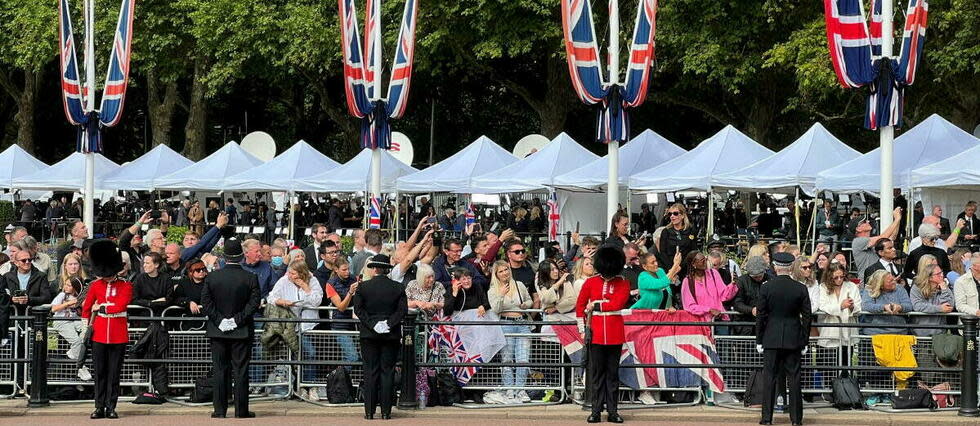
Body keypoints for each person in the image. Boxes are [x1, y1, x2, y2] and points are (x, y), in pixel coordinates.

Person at [201, 239, 262, 419]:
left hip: (218, 330)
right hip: (241, 331)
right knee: (241, 370)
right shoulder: (250, 277)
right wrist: (236, 320)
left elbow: (206, 302)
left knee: (220, 370)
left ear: (224, 256)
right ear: (242, 256)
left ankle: (219, 410)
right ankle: (241, 410)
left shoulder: (212, 277)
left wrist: (221, 321)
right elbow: (254, 304)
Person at [755, 252, 811, 426]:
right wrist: (805, 340)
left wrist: (759, 339)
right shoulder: (800, 288)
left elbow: (761, 315)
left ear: (775, 267)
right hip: (793, 337)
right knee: (794, 379)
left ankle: (766, 418)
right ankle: (796, 419)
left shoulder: (766, 287)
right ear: (791, 267)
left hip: (771, 337)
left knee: (769, 378)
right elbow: (807, 316)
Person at [577, 246, 630, 424]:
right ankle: (596, 411)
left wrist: (596, 305)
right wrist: (582, 329)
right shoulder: (591, 282)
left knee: (612, 375)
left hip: (615, 334)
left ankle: (613, 411)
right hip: (596, 334)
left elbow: (617, 304)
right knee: (597, 375)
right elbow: (580, 306)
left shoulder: (623, 282)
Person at [80, 239, 132, 419]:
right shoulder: (95, 285)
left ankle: (111, 406)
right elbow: (86, 309)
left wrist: (101, 307)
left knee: (114, 374)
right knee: (99, 373)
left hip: (118, 335)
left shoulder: (125, 285)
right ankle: (99, 406)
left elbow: (120, 306)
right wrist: (85, 329)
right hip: (99, 334)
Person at [352, 255, 407, 420]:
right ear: (386, 269)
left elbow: (359, 310)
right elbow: (402, 311)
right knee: (387, 372)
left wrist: (373, 324)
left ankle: (369, 412)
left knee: (370, 372)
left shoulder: (363, 287)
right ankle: (385, 412)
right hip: (390, 335)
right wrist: (388, 324)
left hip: (369, 334)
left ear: (374, 269)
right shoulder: (397, 287)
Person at [268, 260, 324, 400]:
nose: (289, 275)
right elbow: (271, 297)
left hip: (307, 325)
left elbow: (317, 301)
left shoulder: (313, 281)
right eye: (289, 272)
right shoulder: (283, 280)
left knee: (310, 353)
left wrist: (305, 287)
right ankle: (296, 386)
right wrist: (281, 301)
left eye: (293, 273)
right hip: (289, 325)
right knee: (292, 356)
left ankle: (309, 385)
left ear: (301, 273)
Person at [487, 260, 534, 403]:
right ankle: (509, 388)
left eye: (506, 269)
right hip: (505, 324)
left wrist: (526, 305)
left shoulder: (519, 285)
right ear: (496, 274)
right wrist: (501, 295)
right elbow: (495, 309)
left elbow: (530, 300)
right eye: (500, 271)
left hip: (522, 323)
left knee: (523, 359)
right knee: (507, 359)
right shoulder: (492, 290)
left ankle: (520, 389)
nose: (505, 273)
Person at [680, 251, 738, 323]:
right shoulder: (687, 281)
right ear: (693, 264)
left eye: (705, 259)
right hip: (701, 323)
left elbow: (724, 295)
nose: (705, 262)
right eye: (702, 261)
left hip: (719, 319)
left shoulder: (714, 273)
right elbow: (689, 306)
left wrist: (733, 284)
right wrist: (709, 310)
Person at [816, 264, 861, 353]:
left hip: (848, 330)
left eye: (842, 276)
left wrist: (852, 307)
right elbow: (822, 306)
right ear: (829, 276)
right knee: (828, 361)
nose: (839, 279)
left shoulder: (852, 286)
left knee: (846, 362)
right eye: (836, 277)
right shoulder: (823, 287)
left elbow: (858, 306)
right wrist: (841, 306)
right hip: (830, 329)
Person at [325, 257, 361, 368]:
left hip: (354, 323)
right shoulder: (330, 284)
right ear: (336, 269)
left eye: (348, 269)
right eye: (344, 270)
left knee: (356, 356)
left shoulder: (353, 278)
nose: (347, 272)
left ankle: (345, 380)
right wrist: (350, 293)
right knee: (352, 356)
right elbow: (340, 307)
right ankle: (340, 381)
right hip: (339, 324)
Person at [850, 207, 903, 284]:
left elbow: (892, 237)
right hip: (868, 283)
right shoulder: (857, 241)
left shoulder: (869, 241)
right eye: (864, 222)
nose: (868, 221)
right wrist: (897, 219)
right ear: (858, 229)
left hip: (876, 281)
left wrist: (898, 219)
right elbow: (884, 237)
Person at [859, 270, 912, 335]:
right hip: (874, 332)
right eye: (890, 281)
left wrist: (900, 307)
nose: (894, 282)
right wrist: (883, 307)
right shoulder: (869, 289)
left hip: (899, 331)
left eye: (893, 279)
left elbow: (909, 305)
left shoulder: (900, 289)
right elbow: (865, 306)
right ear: (880, 285)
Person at [909, 265, 954, 337]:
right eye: (938, 274)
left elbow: (949, 306)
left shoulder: (944, 287)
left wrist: (944, 290)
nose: (942, 275)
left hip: (940, 332)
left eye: (941, 272)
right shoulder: (917, 288)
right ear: (930, 277)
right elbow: (918, 306)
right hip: (920, 332)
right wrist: (939, 308)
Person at [3, 245, 52, 310]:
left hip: (33, 315)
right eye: (23, 260)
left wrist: (29, 299)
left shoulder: (41, 276)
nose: (27, 262)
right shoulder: (7, 277)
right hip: (12, 315)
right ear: (16, 263)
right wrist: (11, 299)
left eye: (29, 260)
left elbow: (47, 298)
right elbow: (2, 296)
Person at [731, 256, 769, 336]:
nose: (758, 278)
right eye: (755, 277)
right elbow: (737, 303)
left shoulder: (770, 280)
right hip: (745, 325)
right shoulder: (742, 281)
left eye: (760, 276)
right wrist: (751, 310)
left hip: (766, 324)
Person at [954, 252, 980, 316]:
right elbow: (960, 306)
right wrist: (976, 312)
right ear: (974, 266)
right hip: (969, 323)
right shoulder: (961, 281)